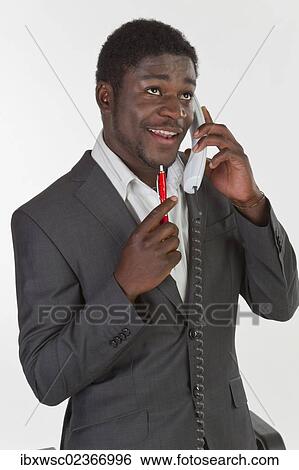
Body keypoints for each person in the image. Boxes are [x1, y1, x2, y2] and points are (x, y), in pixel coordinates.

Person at [11, 19, 299, 450]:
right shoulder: (44, 219)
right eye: (153, 90)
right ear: (105, 97)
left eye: (185, 94)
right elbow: (47, 379)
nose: (175, 111)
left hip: (231, 446)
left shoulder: (218, 186)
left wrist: (251, 203)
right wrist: (123, 288)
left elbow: (278, 303)